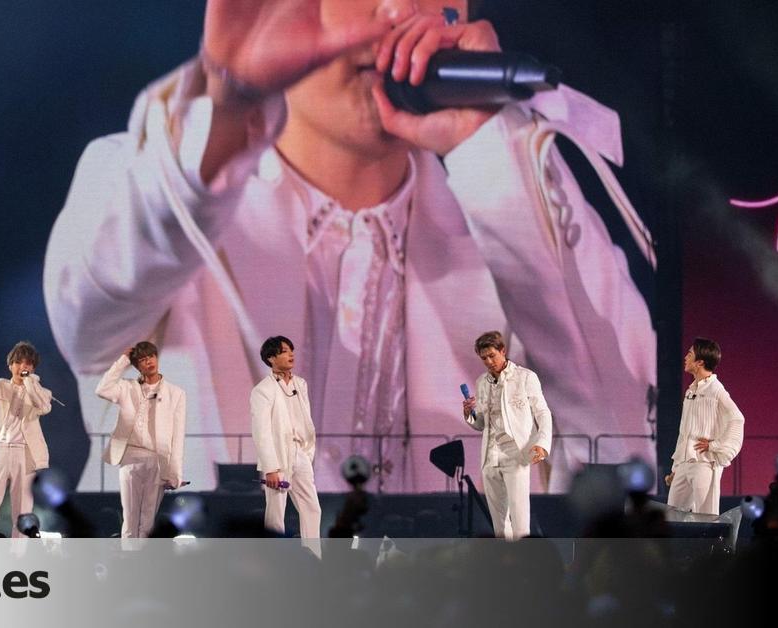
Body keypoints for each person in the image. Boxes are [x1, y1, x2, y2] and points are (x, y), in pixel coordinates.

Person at [45, 0, 657, 492]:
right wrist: (226, 111)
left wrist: (493, 148)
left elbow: (629, 460)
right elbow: (106, 282)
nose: (398, 12)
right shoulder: (147, 192)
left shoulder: (510, 222)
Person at [461, 331, 551, 539]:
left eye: (492, 355)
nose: (488, 362)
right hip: (490, 455)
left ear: (503, 351)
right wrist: (469, 414)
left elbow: (543, 412)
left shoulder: (525, 377)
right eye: (484, 358)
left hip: (516, 453)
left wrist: (542, 443)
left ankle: (524, 558)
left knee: (520, 519)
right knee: (499, 523)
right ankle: (504, 557)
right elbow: (482, 423)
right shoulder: (482, 382)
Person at [96, 341, 187, 537]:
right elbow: (102, 389)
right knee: (130, 517)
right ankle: (129, 554)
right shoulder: (126, 387)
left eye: (151, 357)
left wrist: (175, 473)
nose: (149, 362)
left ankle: (144, 554)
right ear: (137, 366)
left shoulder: (176, 393)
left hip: (157, 458)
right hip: (130, 456)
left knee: (148, 519)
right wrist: (123, 361)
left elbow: (178, 436)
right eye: (143, 360)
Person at [0, 341, 53, 537]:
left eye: (28, 363)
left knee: (23, 509)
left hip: (25, 454)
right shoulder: (2, 385)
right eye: (18, 362)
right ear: (10, 365)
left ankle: (18, 552)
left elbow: (43, 406)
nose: (22, 367)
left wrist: (29, 382)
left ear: (33, 368)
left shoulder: (41, 392)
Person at [250, 336, 321, 539]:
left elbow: (306, 421)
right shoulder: (262, 390)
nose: (291, 354)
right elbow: (261, 432)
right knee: (276, 513)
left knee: (312, 508)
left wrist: (307, 454)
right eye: (284, 351)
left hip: (300, 452)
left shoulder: (300, 384)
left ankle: (312, 554)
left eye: (291, 350)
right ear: (271, 358)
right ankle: (274, 555)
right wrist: (270, 468)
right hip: (278, 455)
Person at [664, 338, 744, 515]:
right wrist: (675, 467)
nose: (686, 357)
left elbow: (737, 419)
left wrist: (716, 445)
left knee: (706, 516)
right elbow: (684, 432)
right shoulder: (690, 391)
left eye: (690, 354)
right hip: (684, 463)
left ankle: (711, 537)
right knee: (673, 515)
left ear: (699, 362)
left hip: (705, 463)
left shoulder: (716, 390)